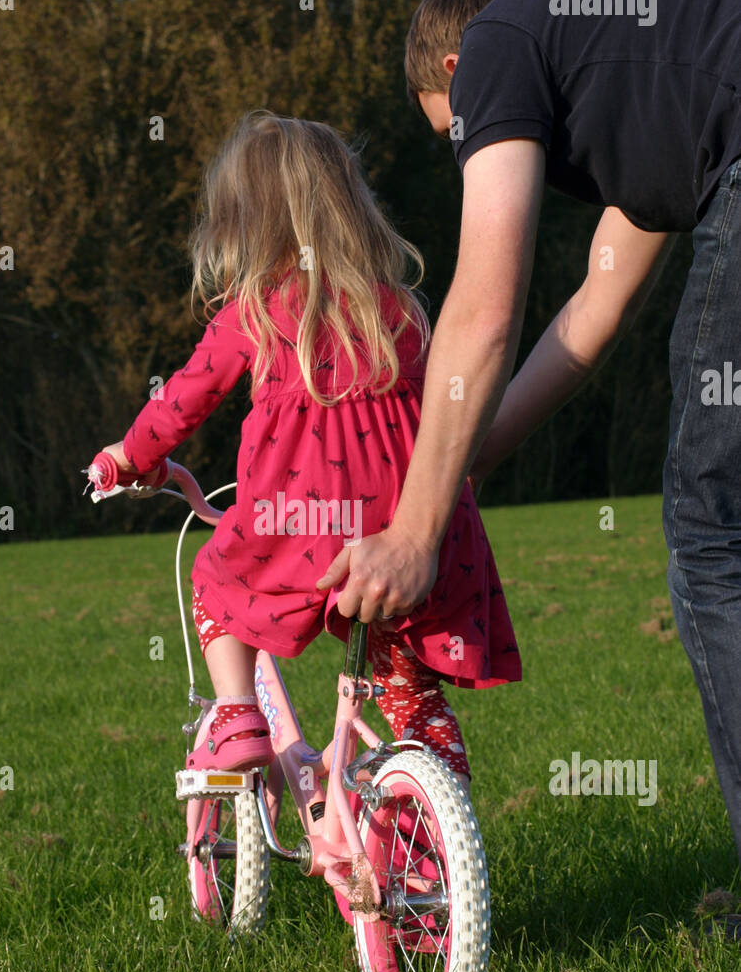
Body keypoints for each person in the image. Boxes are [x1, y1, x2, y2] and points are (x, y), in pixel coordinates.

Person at [317, 0, 741, 886]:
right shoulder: (642, 87)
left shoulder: (500, 44)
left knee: (713, 528)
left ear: (458, 73)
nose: (465, 146)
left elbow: (484, 304)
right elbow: (588, 316)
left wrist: (415, 531)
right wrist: (455, 468)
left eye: (449, 129)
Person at [94, 110, 520, 776]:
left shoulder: (257, 312)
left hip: (299, 525)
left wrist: (129, 457)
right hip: (410, 530)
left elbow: (183, 399)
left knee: (214, 581)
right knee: (404, 673)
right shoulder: (402, 311)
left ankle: (235, 714)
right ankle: (432, 791)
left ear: (241, 220)